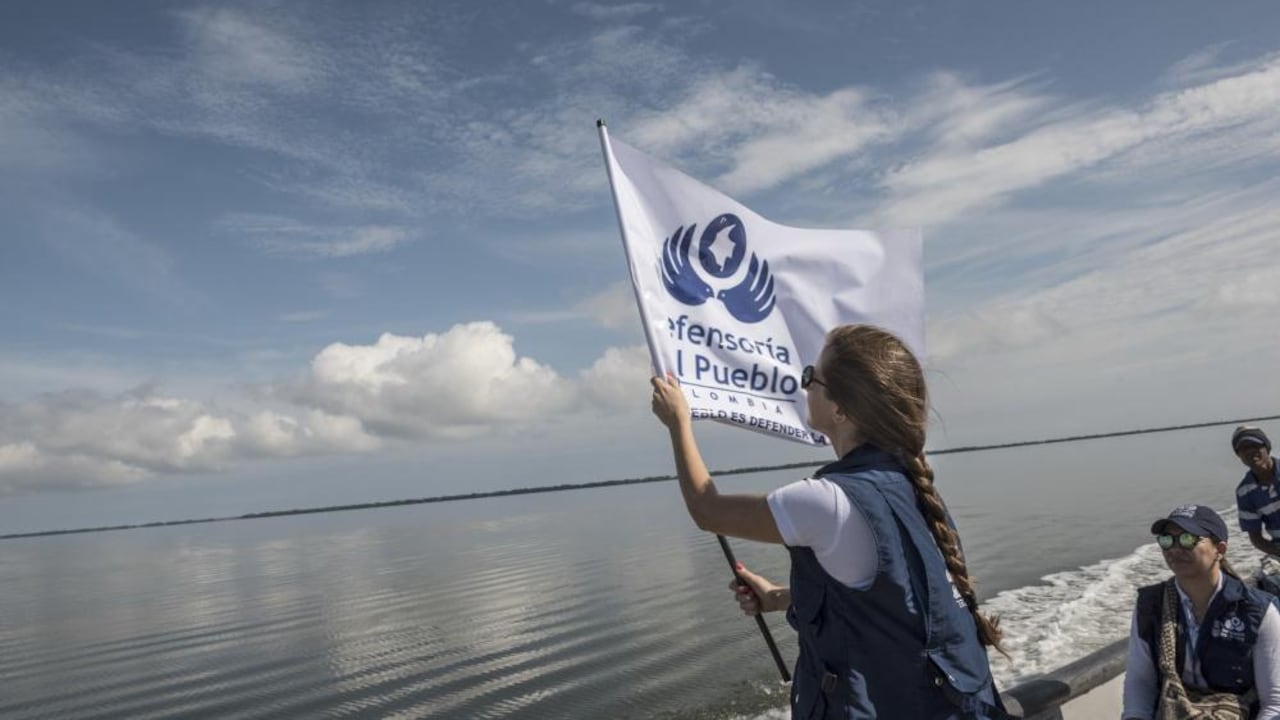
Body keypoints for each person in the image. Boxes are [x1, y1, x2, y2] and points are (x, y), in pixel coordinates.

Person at [650, 324, 1007, 719]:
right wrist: (777, 597)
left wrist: (678, 422)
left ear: (841, 410)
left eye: (810, 377)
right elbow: (891, 597)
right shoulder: (913, 486)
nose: (804, 387)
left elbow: (708, 510)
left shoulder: (825, 501)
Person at [1121, 504, 1280, 720]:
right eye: (1167, 540)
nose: (1175, 548)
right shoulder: (1151, 605)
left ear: (1220, 549)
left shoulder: (1258, 611)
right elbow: (1140, 681)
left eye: (1187, 539)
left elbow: (1274, 703)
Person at [1234, 427, 1280, 558]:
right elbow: (1256, 538)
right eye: (1244, 448)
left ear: (1267, 447)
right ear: (1239, 455)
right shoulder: (1244, 492)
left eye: (1254, 445)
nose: (1250, 451)